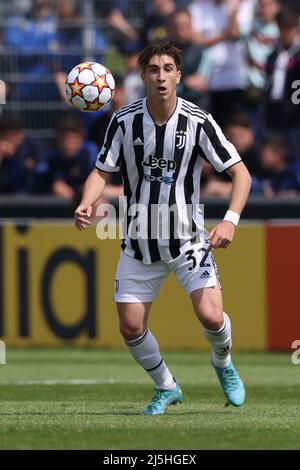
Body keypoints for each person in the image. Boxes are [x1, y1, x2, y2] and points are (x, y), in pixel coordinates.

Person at [75, 42, 252, 415]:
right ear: (143, 75)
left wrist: (231, 221)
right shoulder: (124, 120)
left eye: (168, 68)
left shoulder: (198, 121)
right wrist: (88, 201)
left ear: (179, 75)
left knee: (212, 317)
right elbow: (100, 171)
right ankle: (166, 386)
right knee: (130, 327)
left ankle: (223, 364)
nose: (161, 76)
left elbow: (240, 173)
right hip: (139, 243)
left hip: (188, 240)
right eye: (153, 69)